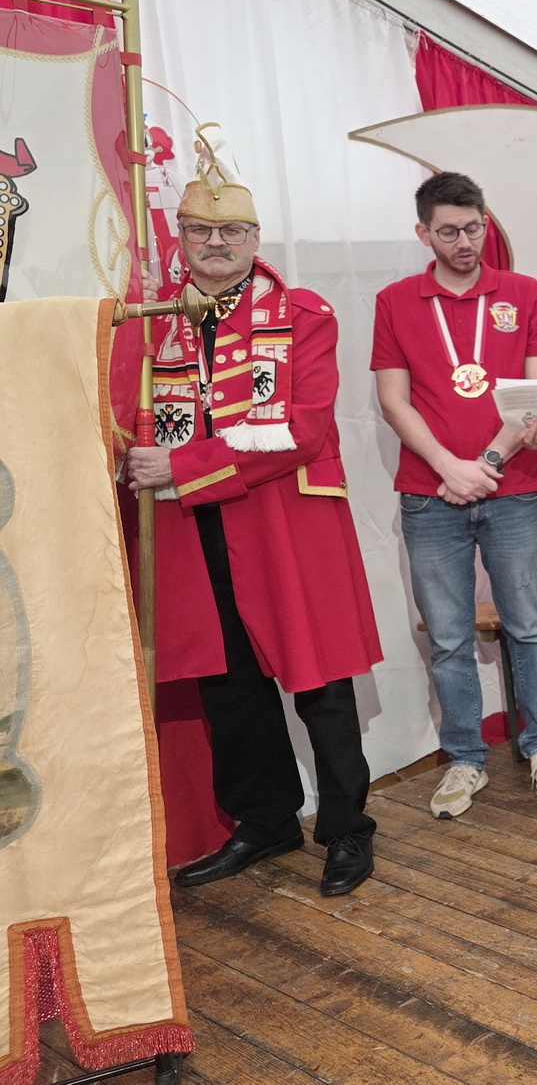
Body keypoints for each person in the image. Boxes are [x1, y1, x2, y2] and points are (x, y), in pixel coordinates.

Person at [121, 125, 380, 896]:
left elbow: (301, 431)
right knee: (226, 683)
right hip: (190, 527)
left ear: (256, 237)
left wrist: (182, 463)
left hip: (281, 520)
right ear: (182, 237)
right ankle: (264, 821)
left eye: (231, 231)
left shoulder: (302, 312)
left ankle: (346, 829)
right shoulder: (152, 322)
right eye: (200, 230)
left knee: (320, 682)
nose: (215, 244)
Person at [371, 172, 537, 819]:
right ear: (423, 232)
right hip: (429, 495)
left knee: (528, 628)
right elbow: (392, 400)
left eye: (475, 227)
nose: (466, 242)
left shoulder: (524, 294)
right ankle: (464, 757)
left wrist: (484, 463)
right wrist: (445, 466)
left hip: (513, 490)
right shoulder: (396, 300)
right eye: (450, 231)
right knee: (452, 637)